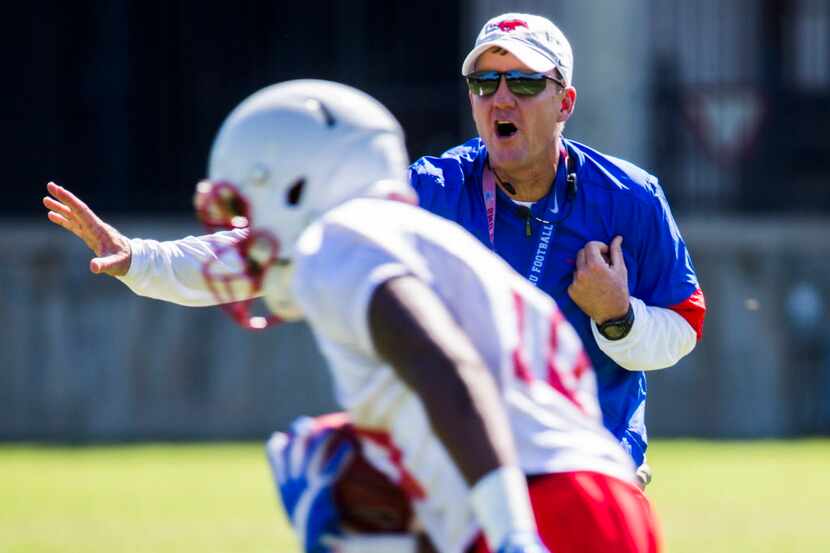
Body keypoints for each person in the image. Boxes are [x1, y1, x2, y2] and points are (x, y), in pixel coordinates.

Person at [44, 80, 660, 552]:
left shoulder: (340, 243)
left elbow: (443, 366)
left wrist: (511, 534)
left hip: (538, 509)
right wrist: (142, 260)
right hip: (607, 501)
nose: (247, 226)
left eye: (248, 200)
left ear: (297, 184)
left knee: (324, 465)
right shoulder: (433, 244)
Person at [409, 13, 706, 483]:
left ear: (564, 102)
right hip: (466, 471)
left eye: (525, 83)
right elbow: (335, 234)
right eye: (484, 82)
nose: (501, 98)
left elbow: (685, 325)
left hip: (589, 467)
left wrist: (617, 317)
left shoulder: (629, 196)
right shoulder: (430, 191)